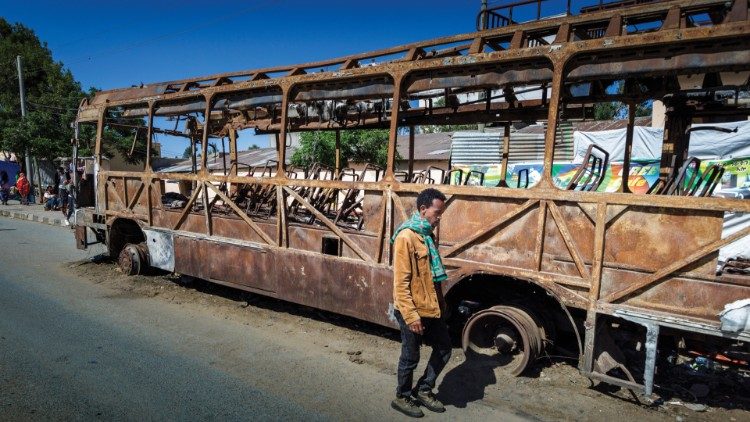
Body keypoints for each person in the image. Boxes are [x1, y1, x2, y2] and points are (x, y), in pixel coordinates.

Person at [390, 188, 452, 418]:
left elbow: (432, 276)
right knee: (410, 355)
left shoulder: (427, 235)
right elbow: (401, 282)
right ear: (423, 209)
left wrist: (441, 303)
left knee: (444, 348)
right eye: (437, 212)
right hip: (411, 308)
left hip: (430, 306)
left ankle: (424, 389)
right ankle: (402, 396)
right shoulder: (406, 237)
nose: (439, 218)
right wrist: (411, 315)